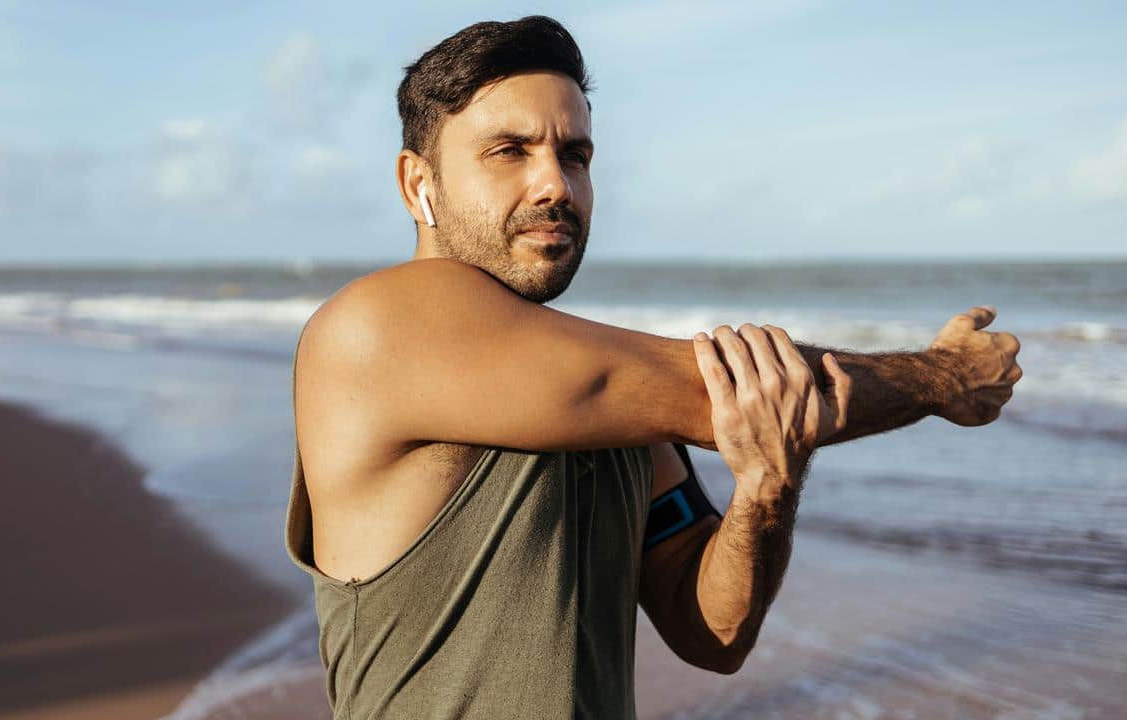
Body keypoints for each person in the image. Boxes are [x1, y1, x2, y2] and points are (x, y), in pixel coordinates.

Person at [284, 15, 1022, 719]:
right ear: (418, 184)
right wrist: (946, 378)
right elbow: (724, 390)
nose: (555, 185)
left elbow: (713, 634)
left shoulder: (611, 395)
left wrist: (767, 488)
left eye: (575, 156)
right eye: (510, 151)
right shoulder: (380, 326)